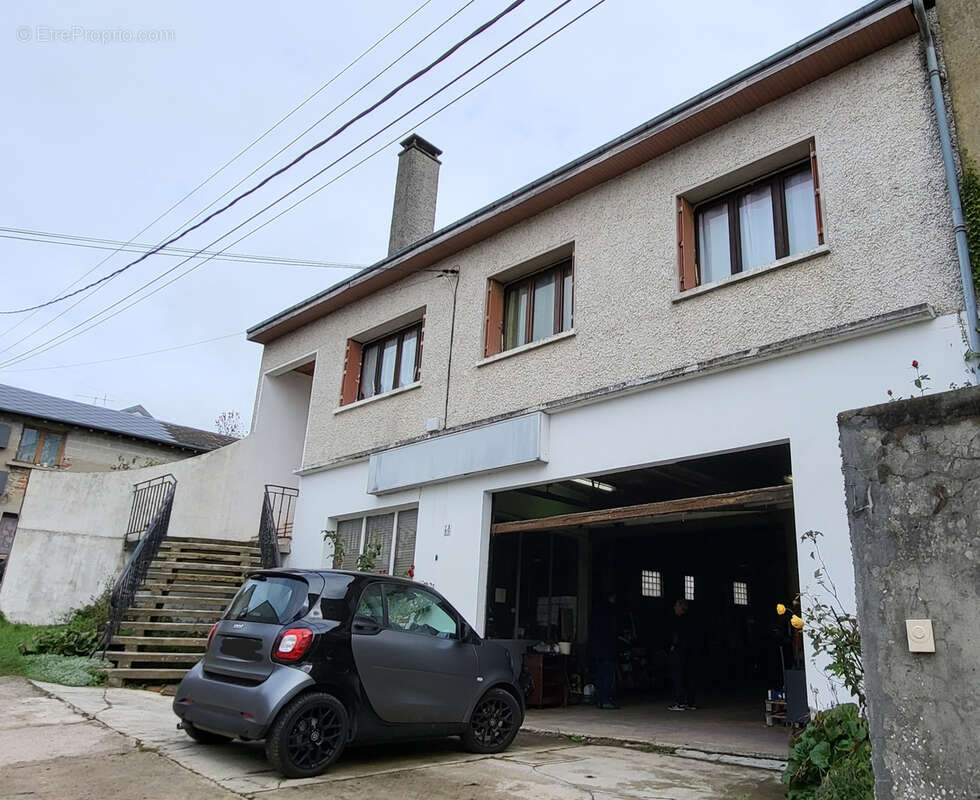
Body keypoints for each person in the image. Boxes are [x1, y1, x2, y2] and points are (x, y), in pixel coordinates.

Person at [592, 592, 619, 709]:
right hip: (608, 649)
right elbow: (614, 630)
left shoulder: (597, 611)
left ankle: (599, 700)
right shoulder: (611, 612)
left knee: (600, 674)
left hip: (598, 649)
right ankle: (606, 699)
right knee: (608, 675)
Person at [667, 598, 696, 711]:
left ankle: (679, 702)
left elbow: (676, 636)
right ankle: (690, 702)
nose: (674, 608)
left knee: (678, 676)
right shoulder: (691, 620)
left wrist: (673, 646)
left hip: (680, 652)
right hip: (690, 653)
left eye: (676, 605)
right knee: (688, 676)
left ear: (681, 608)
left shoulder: (678, 620)